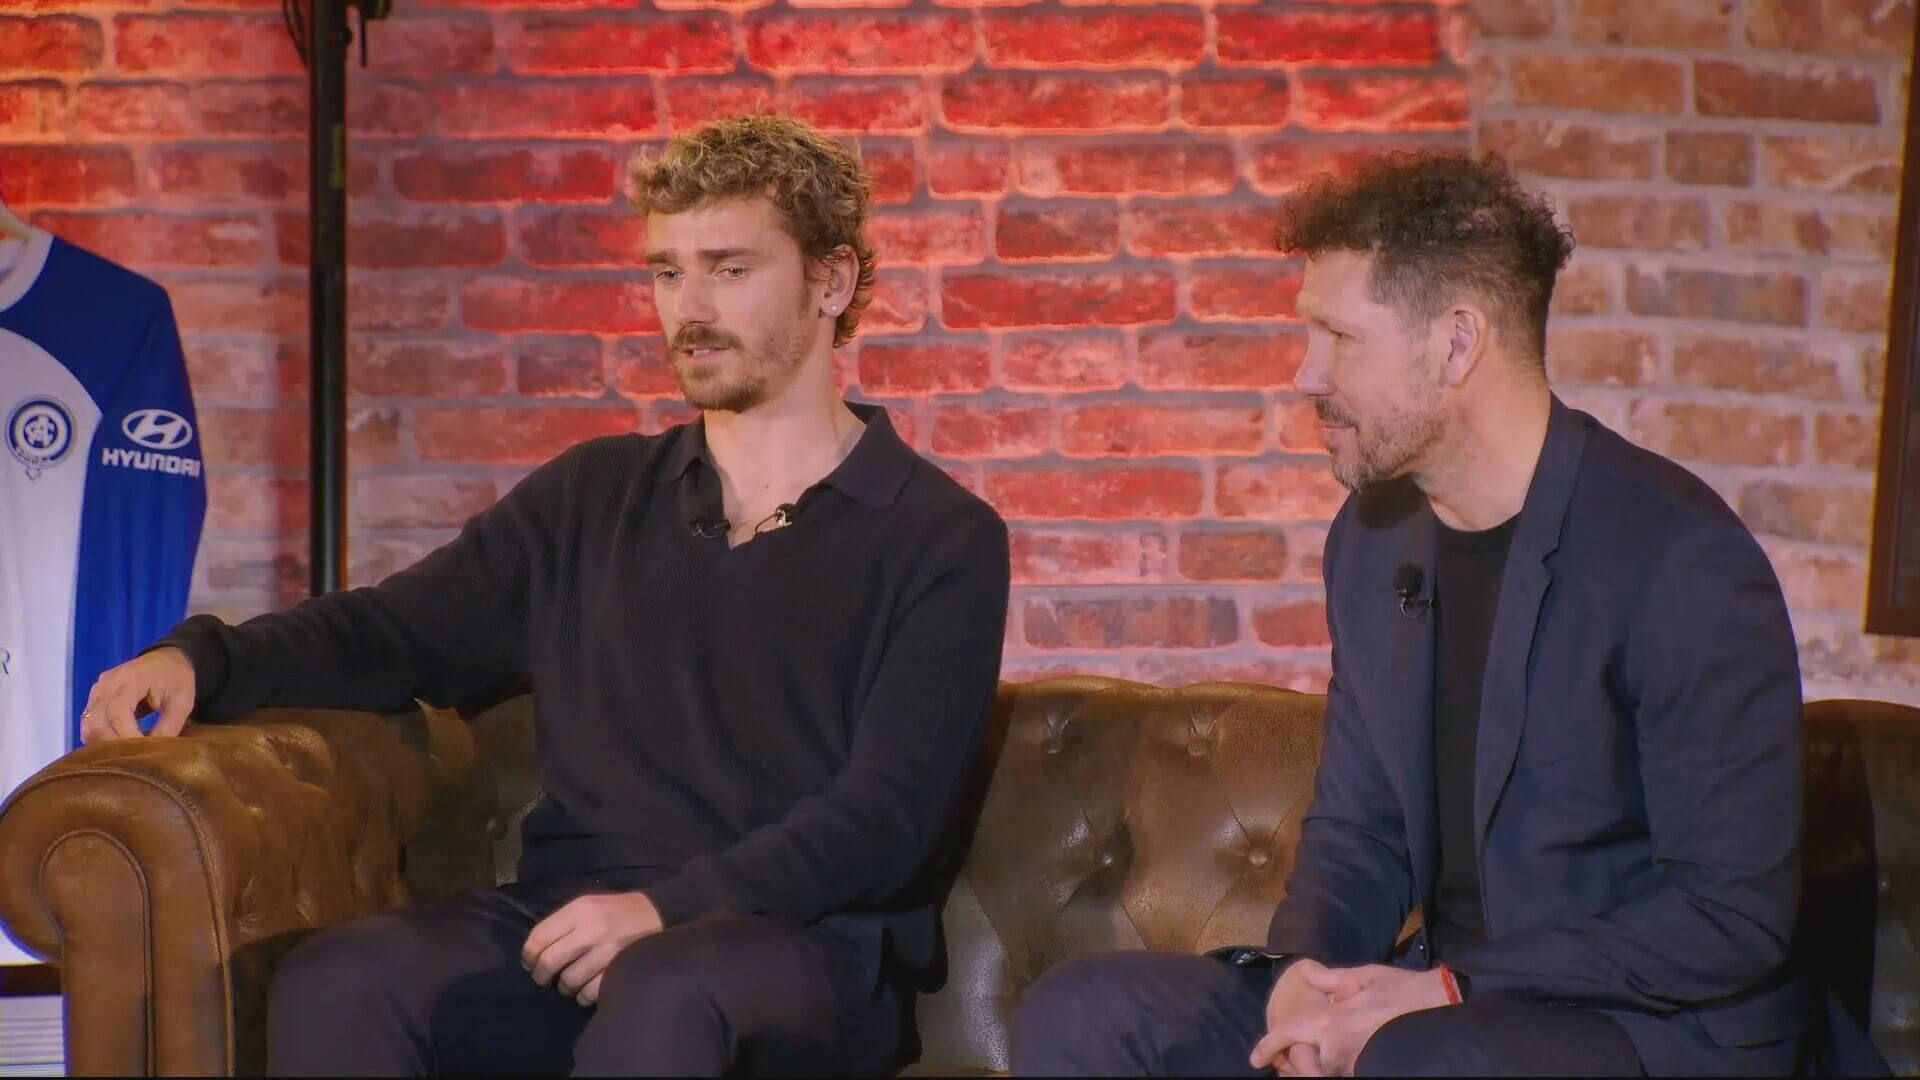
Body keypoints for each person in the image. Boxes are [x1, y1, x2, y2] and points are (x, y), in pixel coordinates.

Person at [81, 114, 1012, 1077]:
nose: (688, 306)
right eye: (666, 271)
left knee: (669, 989)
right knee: (344, 978)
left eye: (729, 269)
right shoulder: (592, 496)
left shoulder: (939, 536)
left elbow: (887, 815)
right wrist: (205, 656)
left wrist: (668, 913)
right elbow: (396, 633)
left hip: (803, 948)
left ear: (833, 281)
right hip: (574, 916)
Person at [1007, 150, 1874, 1077]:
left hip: (1651, 1028)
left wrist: (1449, 989)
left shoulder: (1680, 560)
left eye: (1338, 338)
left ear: (1457, 343)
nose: (1305, 374)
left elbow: (1726, 918)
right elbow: (1361, 828)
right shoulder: (1374, 537)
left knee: (1432, 1061)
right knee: (1089, 1013)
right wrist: (1308, 975)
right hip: (1438, 1011)